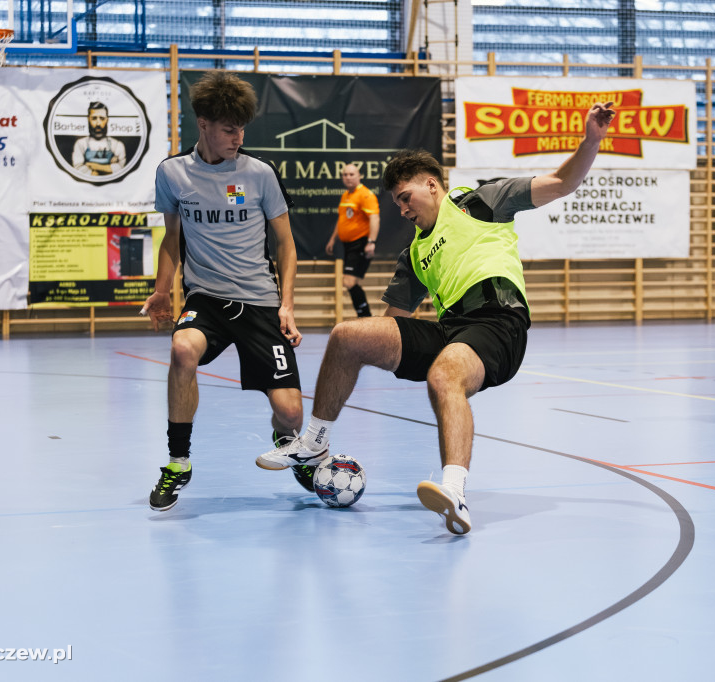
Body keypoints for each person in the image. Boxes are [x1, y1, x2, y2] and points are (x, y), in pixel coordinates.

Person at [255, 102, 616, 534]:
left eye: (406, 198)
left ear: (432, 185)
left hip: (497, 322)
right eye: (397, 204)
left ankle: (455, 493)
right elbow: (394, 324)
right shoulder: (415, 251)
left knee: (444, 376)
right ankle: (314, 443)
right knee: (348, 335)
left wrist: (591, 139)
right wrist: (370, 346)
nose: (403, 209)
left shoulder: (480, 201)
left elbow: (562, 182)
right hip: (451, 330)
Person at [143, 70, 307, 511]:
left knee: (291, 412)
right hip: (206, 299)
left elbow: (287, 245)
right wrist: (162, 291)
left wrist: (286, 305)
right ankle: (178, 462)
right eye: (229, 128)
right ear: (204, 125)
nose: (238, 136)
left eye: (242, 128)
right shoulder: (173, 174)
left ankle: (288, 440)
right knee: (182, 351)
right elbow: (172, 240)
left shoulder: (259, 174)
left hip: (258, 302)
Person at [325, 163, 380, 317]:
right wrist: (332, 239)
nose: (348, 177)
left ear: (359, 176)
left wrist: (371, 242)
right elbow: (342, 219)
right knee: (350, 283)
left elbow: (374, 218)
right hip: (347, 245)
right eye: (345, 174)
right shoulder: (346, 195)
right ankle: (365, 318)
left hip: (360, 244)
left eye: (351, 174)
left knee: (349, 282)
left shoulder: (365, 195)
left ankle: (366, 318)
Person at [72, 101, 127, 177]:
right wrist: (108, 169)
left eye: (102, 118)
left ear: (107, 119)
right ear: (88, 119)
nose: (98, 123)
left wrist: (92, 165)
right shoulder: (80, 144)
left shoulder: (117, 144)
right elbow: (78, 169)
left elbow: (120, 169)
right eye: (94, 118)